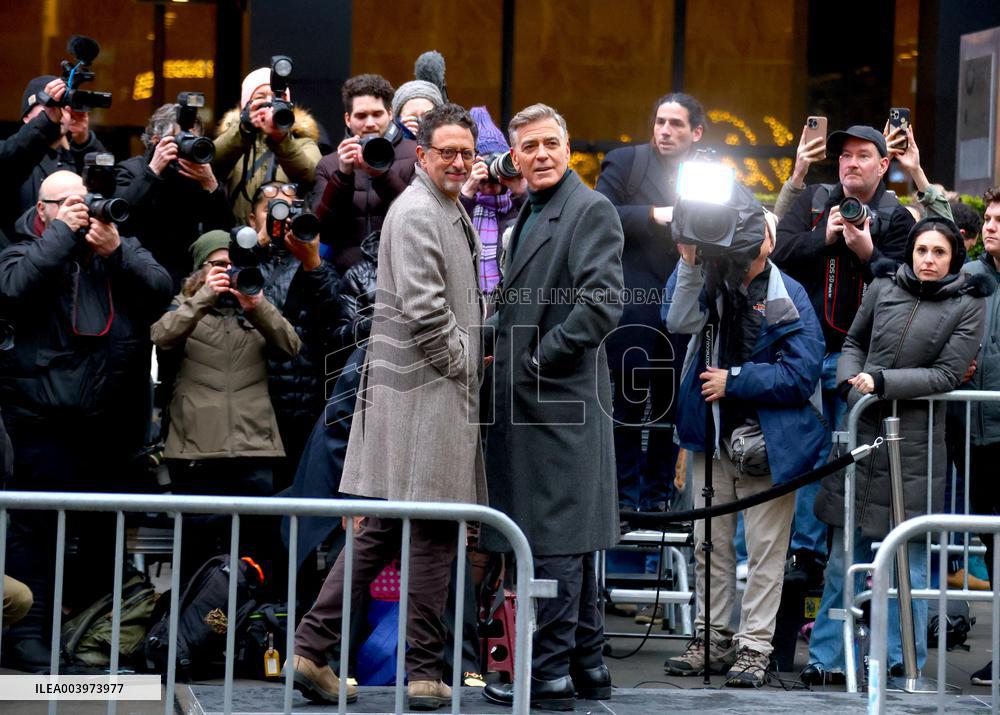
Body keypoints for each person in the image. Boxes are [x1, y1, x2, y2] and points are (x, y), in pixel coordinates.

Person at [290, 103, 486, 711]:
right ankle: (419, 672)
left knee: (384, 532)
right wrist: (468, 362)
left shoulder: (441, 206)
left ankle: (312, 649)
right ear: (421, 155)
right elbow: (429, 313)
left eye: (465, 152)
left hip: (421, 400)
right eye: (446, 151)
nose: (458, 161)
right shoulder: (422, 210)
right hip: (427, 399)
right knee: (426, 536)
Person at [481, 104, 624, 711]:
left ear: (568, 149)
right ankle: (586, 665)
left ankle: (548, 677)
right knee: (566, 536)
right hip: (535, 404)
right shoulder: (532, 211)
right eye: (528, 147)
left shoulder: (590, 209)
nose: (539, 155)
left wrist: (539, 360)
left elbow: (603, 303)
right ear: (514, 157)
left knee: (558, 540)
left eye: (550, 144)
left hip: (557, 399)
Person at [805, 217, 990, 685]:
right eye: (922, 250)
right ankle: (827, 659)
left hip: (916, 444)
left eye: (939, 253)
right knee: (844, 558)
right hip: (863, 432)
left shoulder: (970, 303)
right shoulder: (883, 286)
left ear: (954, 258)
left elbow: (948, 375)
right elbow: (853, 343)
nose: (928, 260)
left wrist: (881, 382)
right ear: (910, 252)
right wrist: (852, 385)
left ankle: (898, 661)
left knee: (907, 564)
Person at [0, 170, 172, 671]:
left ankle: (92, 636)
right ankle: (27, 638)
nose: (81, 210)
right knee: (35, 536)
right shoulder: (21, 248)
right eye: (67, 203)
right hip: (40, 422)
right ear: (43, 210)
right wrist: (61, 235)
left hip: (110, 425)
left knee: (101, 537)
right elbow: (13, 288)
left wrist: (115, 250)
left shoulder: (118, 244)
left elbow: (161, 288)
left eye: (86, 201)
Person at [662, 206, 826, 687]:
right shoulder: (710, 282)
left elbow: (801, 374)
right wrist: (689, 262)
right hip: (709, 441)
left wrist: (735, 380)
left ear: (770, 244)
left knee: (765, 553)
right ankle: (711, 639)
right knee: (707, 546)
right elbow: (676, 318)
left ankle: (754, 648)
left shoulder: (785, 293)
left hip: (767, 445)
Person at [772, 125, 914, 583]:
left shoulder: (895, 218)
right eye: (845, 156)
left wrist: (869, 251)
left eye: (863, 156)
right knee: (800, 459)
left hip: (863, 363)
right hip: (803, 355)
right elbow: (775, 254)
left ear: (883, 165)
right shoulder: (814, 203)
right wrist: (825, 238)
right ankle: (803, 554)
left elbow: (915, 281)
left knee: (846, 462)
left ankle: (839, 560)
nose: (851, 163)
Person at [150, 230, 301, 578]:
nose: (229, 272)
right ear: (200, 271)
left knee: (255, 558)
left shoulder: (258, 309)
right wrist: (204, 297)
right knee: (197, 558)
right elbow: (161, 336)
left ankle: (252, 627)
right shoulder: (184, 307)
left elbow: (291, 347)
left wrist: (257, 305)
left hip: (254, 451)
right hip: (196, 455)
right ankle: (189, 627)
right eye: (219, 265)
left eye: (234, 265)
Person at [595, 92, 704, 519]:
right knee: (627, 402)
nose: (665, 130)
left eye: (676, 124)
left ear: (695, 132)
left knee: (671, 401)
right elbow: (600, 214)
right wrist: (655, 214)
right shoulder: (626, 162)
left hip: (684, 298)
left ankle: (658, 496)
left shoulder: (706, 172)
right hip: (633, 302)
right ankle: (622, 497)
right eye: (660, 121)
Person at [246, 182, 340, 489]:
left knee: (295, 492)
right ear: (251, 219)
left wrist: (312, 260)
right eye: (271, 210)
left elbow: (335, 319)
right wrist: (256, 247)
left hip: (302, 398)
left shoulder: (314, 263)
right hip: (250, 398)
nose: (281, 217)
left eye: (289, 210)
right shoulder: (244, 260)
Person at [114, 101, 234, 292]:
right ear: (155, 141)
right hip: (141, 277)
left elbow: (222, 233)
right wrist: (152, 172)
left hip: (187, 281)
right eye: (179, 140)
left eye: (192, 140)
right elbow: (121, 218)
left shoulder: (199, 176)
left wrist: (211, 185)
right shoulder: (131, 170)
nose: (186, 147)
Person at [312, 74, 418, 272]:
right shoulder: (329, 164)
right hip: (347, 280)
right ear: (347, 119)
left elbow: (419, 216)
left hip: (403, 273)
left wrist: (381, 175)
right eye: (361, 116)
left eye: (377, 114)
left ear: (390, 114)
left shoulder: (415, 155)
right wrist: (343, 175)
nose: (370, 123)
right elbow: (322, 231)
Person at [963, 190, 1000, 685]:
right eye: (989, 218)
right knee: (993, 546)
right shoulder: (971, 278)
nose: (990, 226)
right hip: (978, 434)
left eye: (999, 220)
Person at [213, 67, 321, 224]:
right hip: (239, 237)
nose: (270, 103)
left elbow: (312, 175)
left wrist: (282, 139)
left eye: (278, 97)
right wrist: (244, 130)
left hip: (287, 236)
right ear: (246, 105)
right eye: (261, 97)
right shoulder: (232, 142)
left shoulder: (303, 141)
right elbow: (211, 164)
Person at [0, 77, 87, 241]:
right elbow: (13, 158)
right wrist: (46, 122)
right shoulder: (11, 154)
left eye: (63, 107)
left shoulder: (76, 158)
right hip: (18, 258)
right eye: (48, 106)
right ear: (26, 118)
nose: (58, 112)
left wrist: (85, 142)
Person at [459, 106, 526, 300]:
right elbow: (446, 234)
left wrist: (520, 191)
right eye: (483, 162)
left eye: (495, 162)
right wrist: (467, 191)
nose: (490, 173)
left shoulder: (519, 205)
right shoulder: (462, 205)